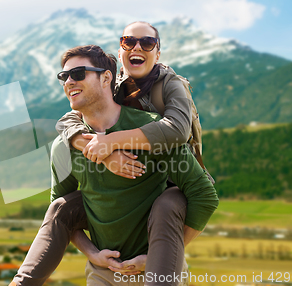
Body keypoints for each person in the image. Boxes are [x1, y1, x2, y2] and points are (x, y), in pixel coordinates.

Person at [11, 45, 218, 286]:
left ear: (106, 77)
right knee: (60, 205)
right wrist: (92, 254)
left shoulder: (152, 131)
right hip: (103, 273)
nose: (69, 81)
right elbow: (64, 215)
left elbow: (204, 196)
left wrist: (157, 256)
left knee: (171, 199)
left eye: (78, 74)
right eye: (63, 76)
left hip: (159, 271)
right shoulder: (64, 146)